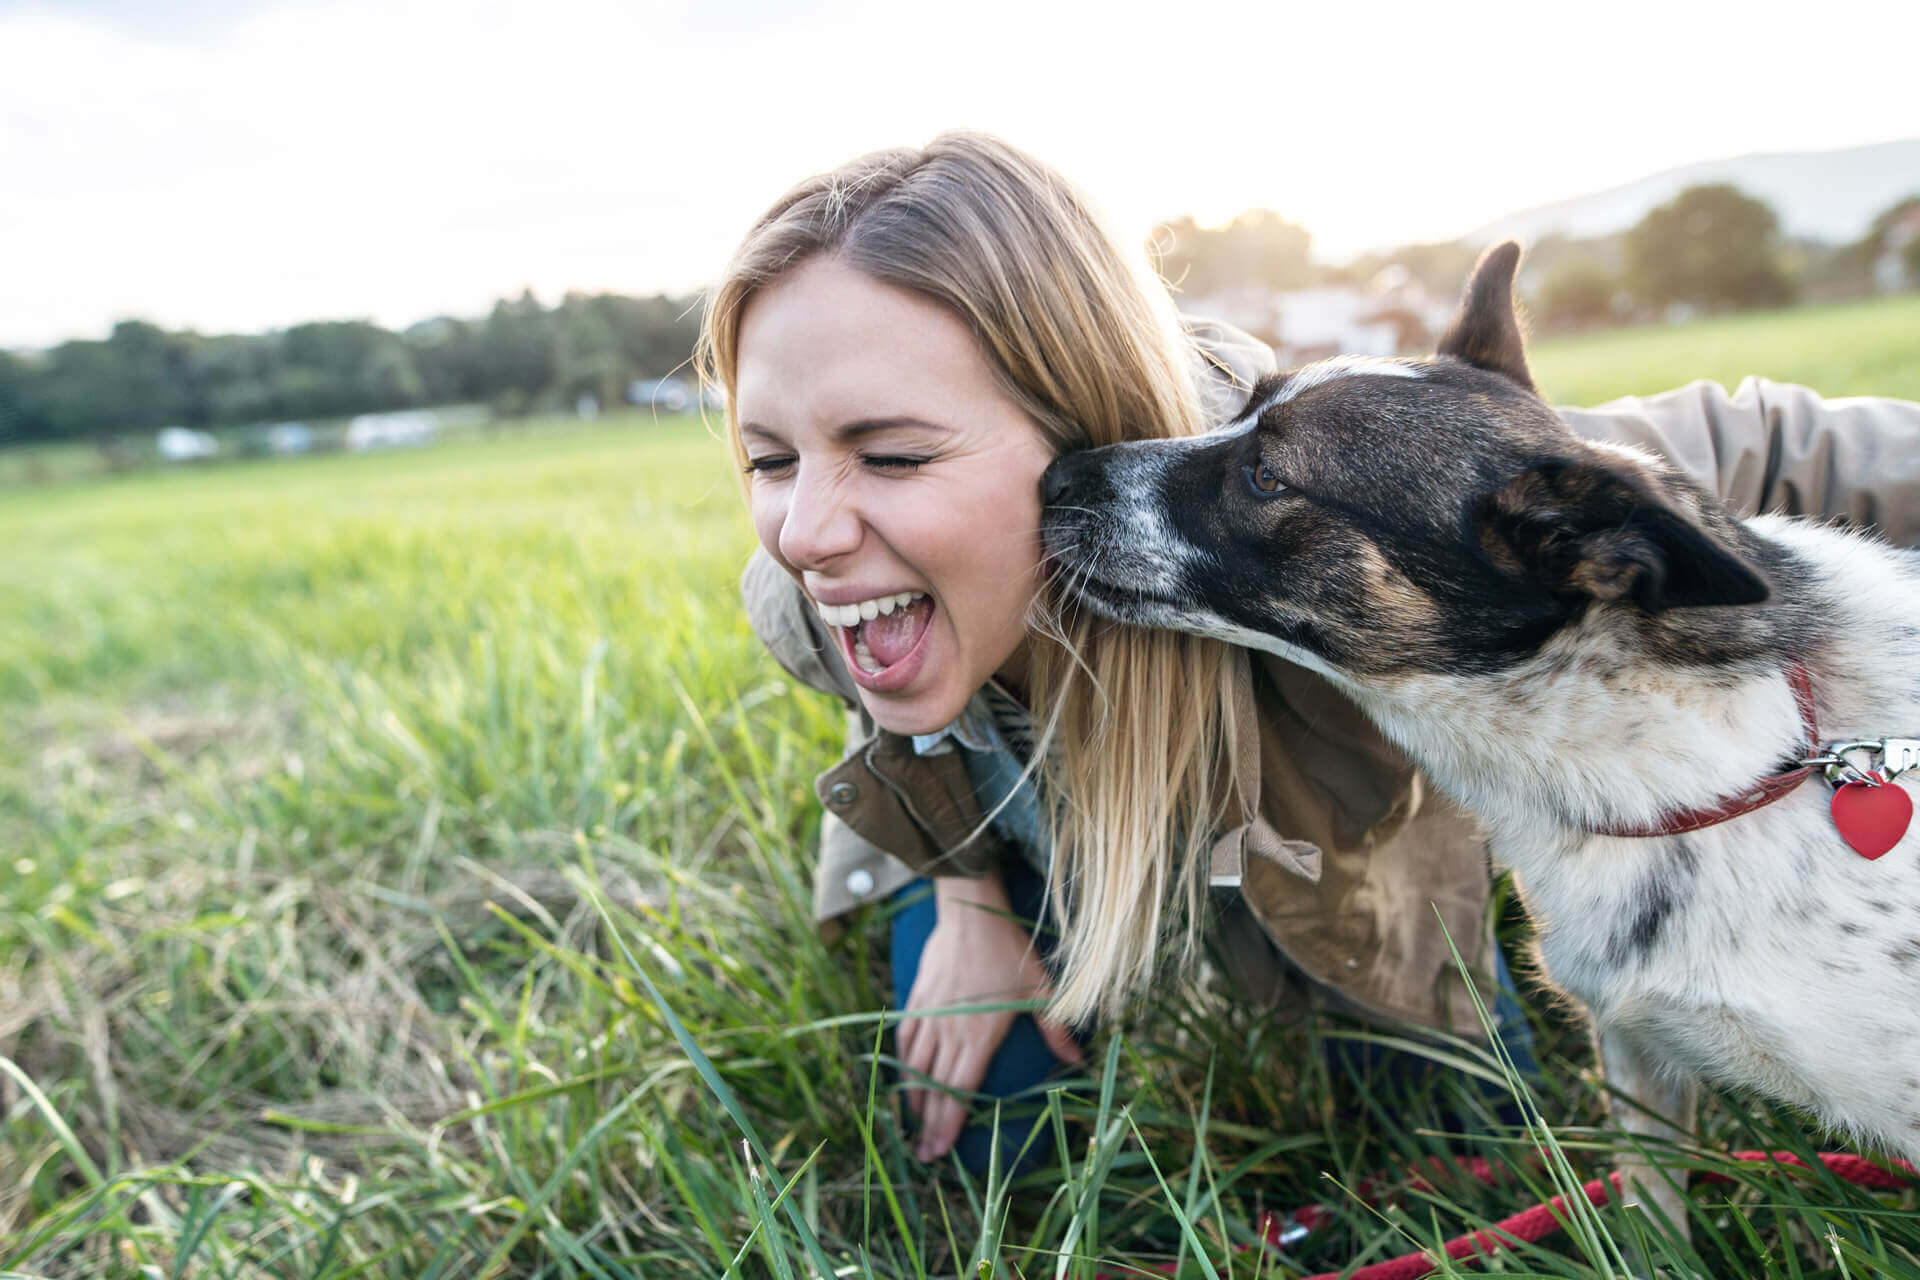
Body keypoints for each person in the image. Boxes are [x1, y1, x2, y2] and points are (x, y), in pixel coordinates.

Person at [693, 131, 1920, 1172]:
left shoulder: (1350, 476)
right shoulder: (810, 591)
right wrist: (960, 891)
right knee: (987, 1138)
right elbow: (895, 703)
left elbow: (1759, 441)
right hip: (1033, 840)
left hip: (1327, 874)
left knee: (1453, 1141)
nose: (805, 532)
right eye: (769, 458)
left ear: (1071, 412)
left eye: (893, 454)